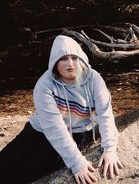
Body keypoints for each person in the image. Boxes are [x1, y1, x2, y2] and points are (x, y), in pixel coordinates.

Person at [0, 35, 123, 184]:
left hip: (78, 133)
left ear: (82, 59)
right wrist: (77, 163)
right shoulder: (44, 85)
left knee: (22, 174)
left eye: (74, 58)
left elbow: (105, 114)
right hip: (38, 130)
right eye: (64, 59)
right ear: (55, 63)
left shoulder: (94, 79)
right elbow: (54, 127)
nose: (70, 64)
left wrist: (110, 149)